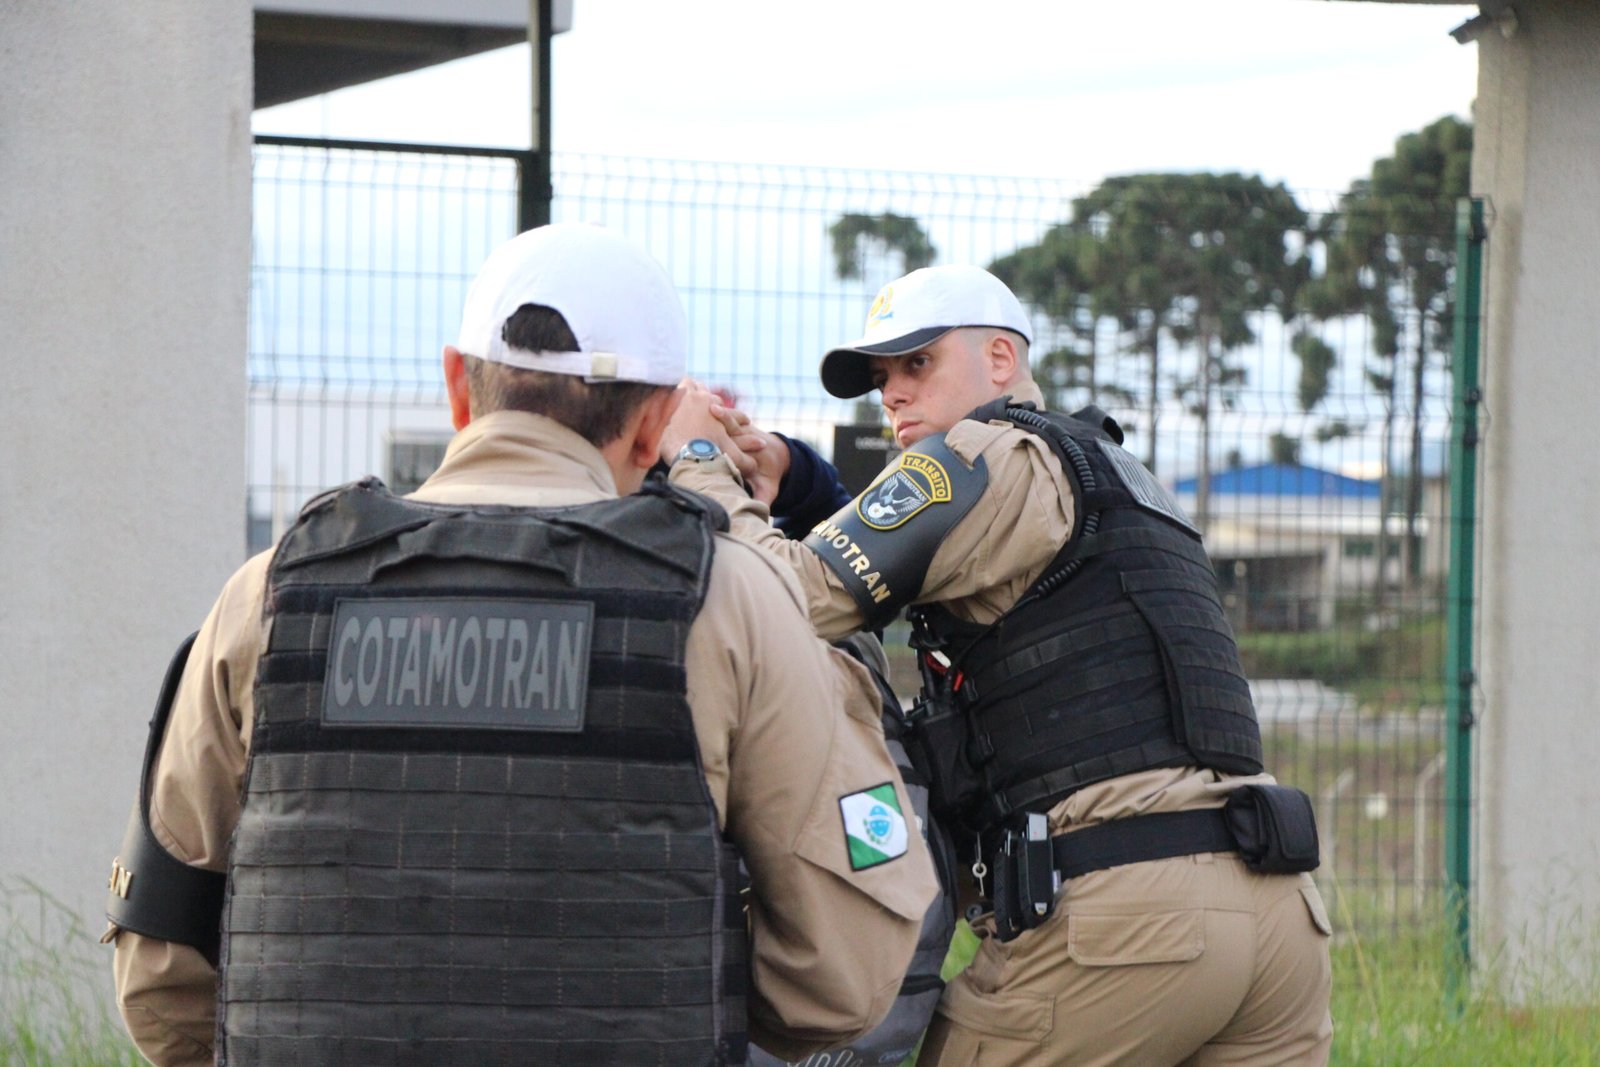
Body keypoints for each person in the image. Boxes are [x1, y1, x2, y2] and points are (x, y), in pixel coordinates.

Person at [104, 223, 938, 1067]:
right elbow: (841, 977)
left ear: (457, 388)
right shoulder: (728, 600)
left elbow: (161, 979)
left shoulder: (268, 596)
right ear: (652, 429)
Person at [661, 264, 1334, 1066]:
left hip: (1126, 921)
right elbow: (899, 553)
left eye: (918, 363)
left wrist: (697, 456)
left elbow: (790, 596)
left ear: (1001, 361)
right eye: (882, 378)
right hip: (1278, 913)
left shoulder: (979, 453)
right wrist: (800, 477)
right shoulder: (1119, 473)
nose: (895, 395)